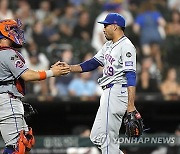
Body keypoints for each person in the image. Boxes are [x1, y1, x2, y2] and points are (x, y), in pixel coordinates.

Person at [62, 13, 141, 154]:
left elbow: (131, 76)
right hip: (108, 92)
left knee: (106, 138)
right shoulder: (108, 45)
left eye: (106, 25)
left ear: (115, 26)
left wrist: (131, 105)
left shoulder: (126, 46)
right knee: (97, 136)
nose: (103, 29)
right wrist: (69, 68)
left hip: (117, 91)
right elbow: (92, 63)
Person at [0, 19, 70, 154]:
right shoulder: (7, 53)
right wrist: (52, 73)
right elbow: (27, 75)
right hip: (7, 99)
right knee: (16, 148)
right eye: (14, 30)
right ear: (5, 33)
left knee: (26, 142)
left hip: (8, 99)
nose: (18, 32)